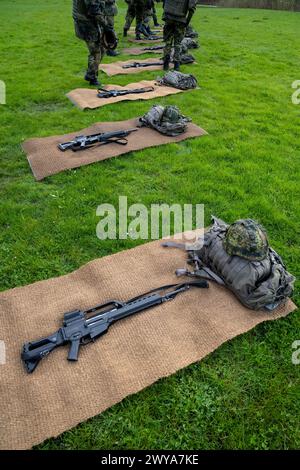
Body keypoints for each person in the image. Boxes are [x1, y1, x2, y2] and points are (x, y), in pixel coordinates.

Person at [72, 0, 106, 86]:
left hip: (84, 23)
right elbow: (94, 11)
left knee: (101, 50)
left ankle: (91, 74)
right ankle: (92, 76)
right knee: (96, 52)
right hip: (88, 26)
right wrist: (107, 26)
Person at [162, 0, 197, 71]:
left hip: (168, 16)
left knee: (168, 41)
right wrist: (187, 22)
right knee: (177, 43)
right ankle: (176, 64)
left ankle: (166, 63)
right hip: (180, 19)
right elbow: (191, 8)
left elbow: (164, 3)